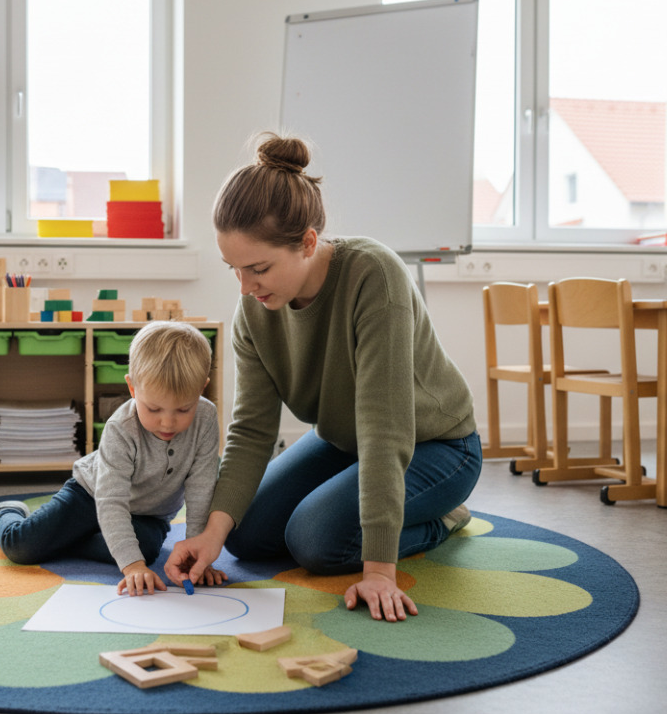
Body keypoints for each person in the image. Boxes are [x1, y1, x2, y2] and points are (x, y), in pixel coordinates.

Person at [163, 132, 481, 622]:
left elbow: (385, 429)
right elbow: (250, 432)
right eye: (234, 269)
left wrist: (378, 570)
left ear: (308, 243)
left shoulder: (374, 277)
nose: (246, 288)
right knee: (243, 534)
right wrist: (209, 532)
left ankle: (443, 520)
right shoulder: (254, 313)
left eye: (259, 268)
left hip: (436, 446)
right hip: (342, 440)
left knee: (315, 541)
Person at [0, 321, 223, 596]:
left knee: (143, 550)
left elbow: (201, 490)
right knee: (22, 547)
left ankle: (75, 537)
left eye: (184, 409)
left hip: (149, 514)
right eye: (154, 408)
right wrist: (131, 566)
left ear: (202, 390)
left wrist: (198, 556)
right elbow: (111, 501)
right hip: (90, 495)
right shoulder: (121, 428)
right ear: (133, 389)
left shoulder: (206, 419)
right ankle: (0, 513)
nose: (168, 422)